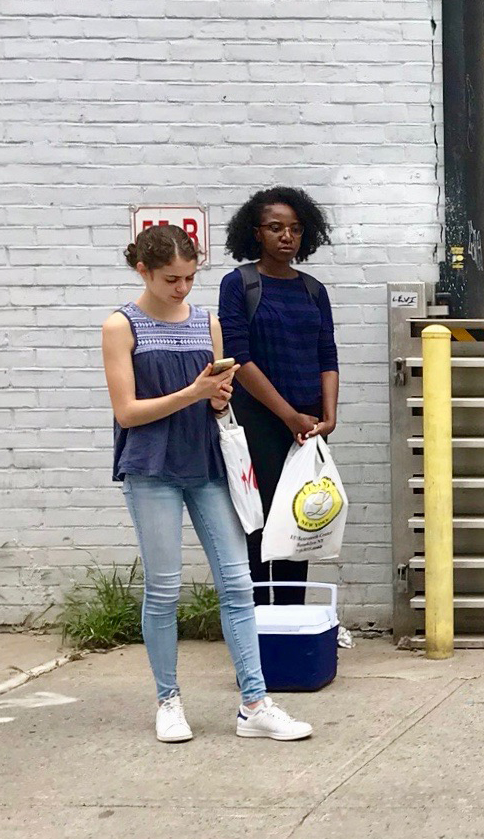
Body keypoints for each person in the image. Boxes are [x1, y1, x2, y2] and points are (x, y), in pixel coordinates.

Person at [102, 224, 314, 744]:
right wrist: (193, 393)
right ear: (143, 271)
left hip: (208, 463)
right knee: (164, 589)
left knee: (240, 584)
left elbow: (219, 402)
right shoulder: (120, 326)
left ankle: (255, 703)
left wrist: (218, 399)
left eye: (190, 278)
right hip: (151, 466)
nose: (182, 289)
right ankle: (168, 701)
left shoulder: (208, 323)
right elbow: (127, 413)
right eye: (171, 279)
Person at [218, 187, 338, 606]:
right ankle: (256, 636)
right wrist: (288, 416)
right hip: (259, 426)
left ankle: (291, 626)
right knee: (258, 528)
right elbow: (238, 359)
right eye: (275, 228)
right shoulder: (240, 285)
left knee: (299, 527)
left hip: (306, 428)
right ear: (256, 233)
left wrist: (329, 415)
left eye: (295, 229)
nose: (286, 236)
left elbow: (327, 353)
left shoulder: (313, 290)